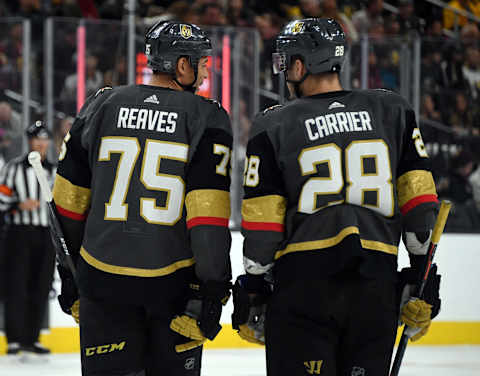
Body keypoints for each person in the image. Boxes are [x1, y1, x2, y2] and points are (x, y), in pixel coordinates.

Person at [232, 19, 441, 376]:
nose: (284, 73)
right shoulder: (392, 110)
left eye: (286, 63)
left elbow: (263, 226)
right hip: (375, 285)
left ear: (300, 65)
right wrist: (422, 277)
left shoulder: (274, 123)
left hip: (304, 288)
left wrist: (255, 284)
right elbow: (420, 206)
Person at [52, 21, 232, 376]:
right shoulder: (206, 116)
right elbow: (207, 218)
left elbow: (66, 203)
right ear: (183, 65)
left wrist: (72, 274)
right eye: (202, 62)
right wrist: (212, 290)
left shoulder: (101, 104)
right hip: (173, 290)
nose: (206, 69)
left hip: (102, 282)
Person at [0, 120, 56, 357]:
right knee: (17, 285)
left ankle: (32, 338)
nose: (40, 144)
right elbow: (1, 201)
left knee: (41, 286)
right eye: (36, 139)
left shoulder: (56, 170)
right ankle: (14, 339)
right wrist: (18, 205)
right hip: (19, 235)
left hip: (46, 236)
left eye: (44, 139)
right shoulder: (13, 168)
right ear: (30, 141)